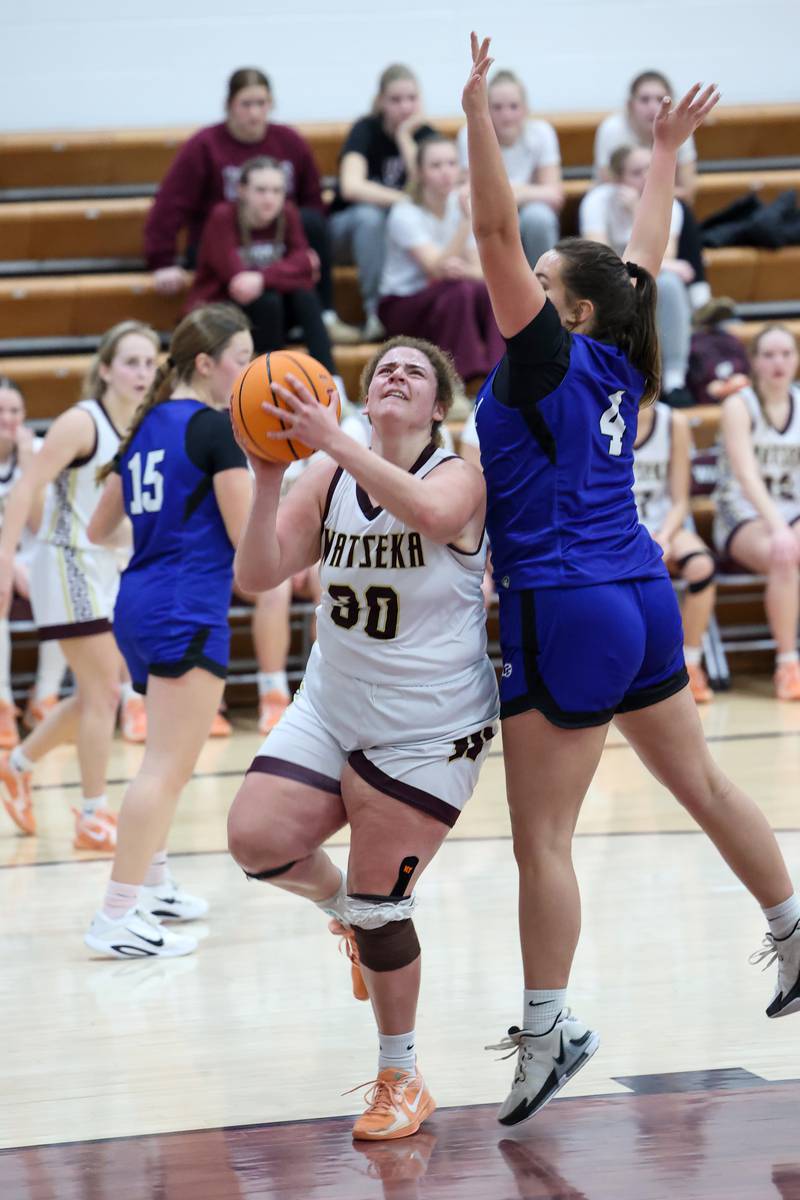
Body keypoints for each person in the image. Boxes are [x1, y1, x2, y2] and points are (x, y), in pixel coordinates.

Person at [463, 33, 800, 1128]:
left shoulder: (544, 355)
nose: (528, 278)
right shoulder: (621, 351)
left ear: (558, 309)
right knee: (699, 787)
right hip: (642, 599)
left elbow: (490, 229)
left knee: (541, 843)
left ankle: (548, 1028)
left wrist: (476, 116)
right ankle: (793, 925)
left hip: (563, 602)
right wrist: (662, 154)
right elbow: (641, 255)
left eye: (544, 281)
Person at [226, 335, 498, 1140]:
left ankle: (401, 1076)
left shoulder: (459, 472)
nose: (396, 375)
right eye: (384, 367)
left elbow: (433, 515)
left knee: (387, 910)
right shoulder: (329, 471)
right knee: (256, 839)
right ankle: (339, 909)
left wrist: (335, 440)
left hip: (425, 725)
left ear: (438, 406)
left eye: (415, 371)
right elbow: (259, 573)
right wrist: (271, 473)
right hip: (332, 702)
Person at [83, 304, 253, 957]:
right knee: (165, 767)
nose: (247, 369)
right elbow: (246, 544)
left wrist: (169, 535)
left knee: (165, 762)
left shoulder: (146, 422)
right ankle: (117, 913)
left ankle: (151, 885)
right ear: (207, 363)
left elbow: (100, 530)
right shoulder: (213, 429)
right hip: (184, 604)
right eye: (240, 357)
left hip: (140, 599)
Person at [0, 323, 159, 848]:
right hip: (64, 561)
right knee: (104, 691)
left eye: (149, 361)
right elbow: (27, 485)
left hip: (104, 565)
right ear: (107, 369)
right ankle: (92, 813)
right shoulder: (81, 422)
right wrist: (4, 557)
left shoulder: (141, 424)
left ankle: (17, 765)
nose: (142, 371)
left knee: (98, 690)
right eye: (131, 361)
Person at [143, 67, 358, 344]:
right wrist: (161, 260)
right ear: (229, 106)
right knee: (266, 298)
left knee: (312, 222)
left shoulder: (290, 142)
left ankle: (326, 314)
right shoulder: (204, 145)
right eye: (246, 104)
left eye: (261, 104)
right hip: (224, 250)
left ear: (271, 105)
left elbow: (313, 202)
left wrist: (303, 258)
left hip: (276, 245)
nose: (254, 113)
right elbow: (170, 203)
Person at [187, 156, 341, 389]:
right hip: (224, 312)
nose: (270, 198)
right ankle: (272, 386)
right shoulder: (223, 217)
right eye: (261, 190)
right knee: (268, 301)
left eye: (277, 191)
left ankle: (333, 385)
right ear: (241, 190)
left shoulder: (287, 213)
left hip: (271, 311)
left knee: (305, 298)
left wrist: (262, 277)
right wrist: (290, 272)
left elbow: (306, 269)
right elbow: (237, 283)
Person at [712, 326, 800, 700]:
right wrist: (781, 528)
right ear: (754, 362)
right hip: (742, 514)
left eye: (785, 354)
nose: (778, 362)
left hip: (790, 511)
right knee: (784, 558)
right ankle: (787, 664)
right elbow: (746, 475)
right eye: (768, 355)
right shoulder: (738, 405)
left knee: (788, 550)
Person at [378, 135, 504, 382]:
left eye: (451, 164)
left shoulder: (459, 206)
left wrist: (461, 270)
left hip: (447, 296)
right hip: (401, 304)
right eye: (436, 166)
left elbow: (481, 272)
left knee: (489, 290)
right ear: (420, 172)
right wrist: (467, 222)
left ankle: (503, 373)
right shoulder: (404, 212)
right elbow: (435, 270)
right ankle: (456, 381)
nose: (446, 172)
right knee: (460, 291)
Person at [579, 145, 694, 406]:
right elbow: (600, 263)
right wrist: (634, 213)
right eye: (636, 172)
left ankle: (674, 379)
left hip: (646, 280)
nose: (645, 178)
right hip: (605, 286)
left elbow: (665, 255)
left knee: (670, 284)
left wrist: (638, 211)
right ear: (618, 179)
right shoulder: (597, 200)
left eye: (649, 171)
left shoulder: (669, 204)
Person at [329, 65, 437, 341]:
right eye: (396, 100)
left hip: (394, 237)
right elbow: (351, 187)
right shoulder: (365, 129)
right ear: (380, 102)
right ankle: (374, 312)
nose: (405, 107)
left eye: (411, 99)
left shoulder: (424, 135)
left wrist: (404, 138)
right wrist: (403, 200)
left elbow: (429, 190)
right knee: (370, 217)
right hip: (348, 232)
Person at [632, 401, 716, 702]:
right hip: (619, 529)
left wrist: (665, 536)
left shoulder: (673, 422)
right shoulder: (600, 417)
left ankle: (690, 663)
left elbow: (681, 500)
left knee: (702, 566)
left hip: (663, 525)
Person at [0, 378, 67, 747]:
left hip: (33, 554)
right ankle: (3, 702)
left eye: (15, 411)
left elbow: (42, 525)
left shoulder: (39, 452)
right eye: (0, 411)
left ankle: (45, 695)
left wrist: (29, 468)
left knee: (55, 583)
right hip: (2, 557)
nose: (8, 419)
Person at [457, 69, 563, 269]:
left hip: (528, 208)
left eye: (513, 106)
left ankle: (545, 287)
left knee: (539, 218)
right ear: (486, 108)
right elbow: (467, 194)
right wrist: (520, 192)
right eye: (497, 107)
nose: (506, 115)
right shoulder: (470, 133)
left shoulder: (541, 133)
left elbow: (554, 194)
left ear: (525, 109)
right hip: (489, 210)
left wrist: (510, 194)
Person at [593, 69, 697, 202]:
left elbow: (688, 193)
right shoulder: (612, 129)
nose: (653, 107)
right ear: (630, 105)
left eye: (661, 100)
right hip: (619, 205)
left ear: (672, 105)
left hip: (666, 206)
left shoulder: (680, 130)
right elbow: (610, 184)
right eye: (644, 99)